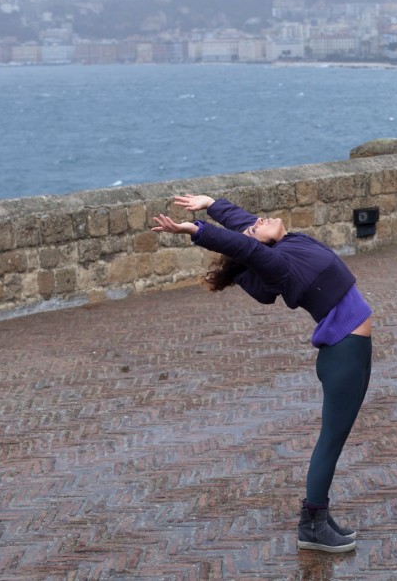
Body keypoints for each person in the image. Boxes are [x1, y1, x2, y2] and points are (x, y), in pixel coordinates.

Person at [152, 194, 372, 554]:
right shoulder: (280, 265)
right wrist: (197, 230)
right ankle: (312, 524)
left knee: (337, 437)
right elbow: (246, 247)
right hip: (343, 352)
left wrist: (212, 203)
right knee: (331, 440)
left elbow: (243, 224)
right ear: (261, 244)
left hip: (356, 349)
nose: (260, 220)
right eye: (257, 228)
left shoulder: (290, 242)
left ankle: (319, 519)